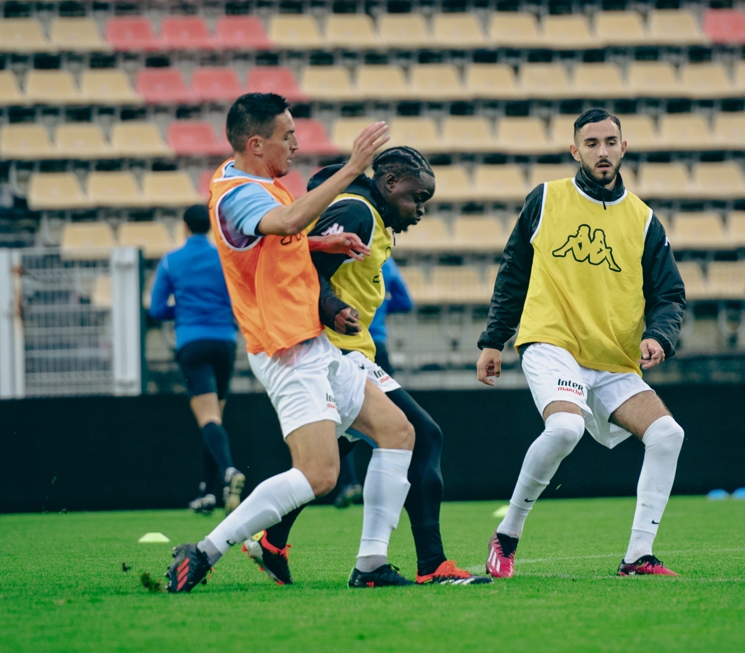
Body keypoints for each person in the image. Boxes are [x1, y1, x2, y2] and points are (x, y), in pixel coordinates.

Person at [166, 93, 417, 592]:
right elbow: (280, 224)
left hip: (312, 343)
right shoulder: (239, 193)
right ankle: (204, 550)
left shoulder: (260, 185)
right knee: (320, 475)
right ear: (256, 143)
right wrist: (353, 169)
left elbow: (276, 242)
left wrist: (321, 243)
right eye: (288, 137)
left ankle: (370, 565)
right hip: (287, 349)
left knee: (397, 432)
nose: (297, 146)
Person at [244, 146, 491, 586]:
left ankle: (272, 539)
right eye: (416, 198)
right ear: (390, 184)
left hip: (349, 350)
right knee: (424, 437)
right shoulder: (356, 211)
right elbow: (300, 268)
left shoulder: (372, 216)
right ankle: (428, 563)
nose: (419, 211)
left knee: (340, 451)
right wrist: (332, 306)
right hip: (333, 351)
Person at [476, 109, 687, 579]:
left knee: (669, 434)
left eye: (610, 141)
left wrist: (659, 336)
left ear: (623, 147)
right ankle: (507, 534)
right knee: (566, 430)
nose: (602, 151)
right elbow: (514, 272)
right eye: (591, 143)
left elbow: (669, 294)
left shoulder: (644, 219)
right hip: (552, 342)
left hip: (613, 357)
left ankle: (637, 557)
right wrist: (494, 340)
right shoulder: (546, 199)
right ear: (576, 151)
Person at [149, 205, 244, 516]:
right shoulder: (225, 257)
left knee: (208, 419)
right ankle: (207, 492)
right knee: (216, 418)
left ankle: (229, 471)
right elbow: (240, 298)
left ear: (185, 227)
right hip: (225, 343)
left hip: (192, 341)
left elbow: (157, 309)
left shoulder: (171, 261)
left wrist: (187, 309)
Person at [328, 257, 413, 510]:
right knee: (396, 421)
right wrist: (378, 308)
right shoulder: (386, 263)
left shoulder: (342, 260)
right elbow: (405, 302)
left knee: (343, 420)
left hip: (344, 346)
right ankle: (396, 486)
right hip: (377, 346)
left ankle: (348, 482)